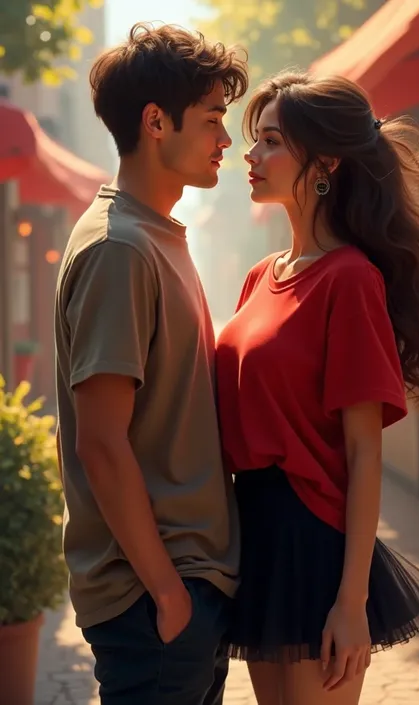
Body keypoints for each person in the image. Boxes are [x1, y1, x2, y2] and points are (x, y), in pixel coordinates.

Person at [215, 71, 419, 705]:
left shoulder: (349, 279)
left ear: (323, 162)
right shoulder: (258, 277)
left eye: (270, 141)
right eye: (255, 140)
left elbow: (363, 453)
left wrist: (350, 602)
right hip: (257, 533)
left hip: (314, 541)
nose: (251, 154)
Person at [54, 23, 248, 705]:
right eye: (214, 119)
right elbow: (100, 441)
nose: (227, 139)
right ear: (156, 121)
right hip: (154, 598)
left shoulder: (156, 234)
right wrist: (169, 593)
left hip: (183, 588)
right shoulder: (121, 249)